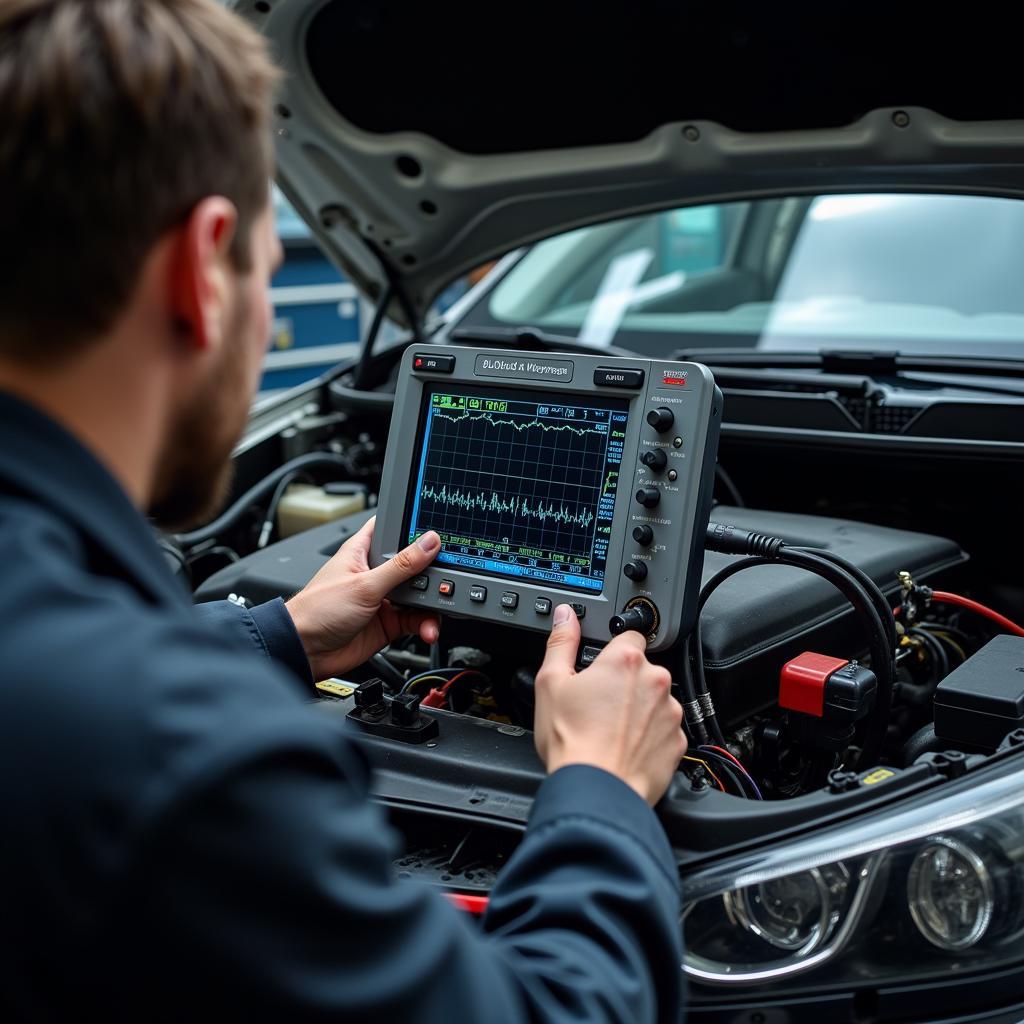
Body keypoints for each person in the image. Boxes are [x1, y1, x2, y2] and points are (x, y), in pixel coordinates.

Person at [0, 1, 687, 1020]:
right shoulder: (184, 759)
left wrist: (275, 637)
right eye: (270, 278)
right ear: (204, 267)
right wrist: (600, 790)